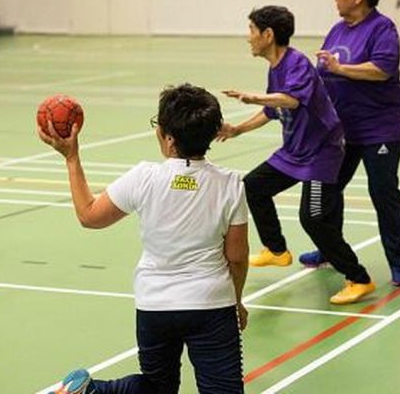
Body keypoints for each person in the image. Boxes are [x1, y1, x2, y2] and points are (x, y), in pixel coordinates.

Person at [41, 84, 249, 394]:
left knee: (156, 387)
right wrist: (237, 300)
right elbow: (236, 256)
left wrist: (72, 159)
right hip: (212, 305)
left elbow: (88, 215)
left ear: (168, 139)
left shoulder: (144, 177)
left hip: (156, 306)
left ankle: (91, 392)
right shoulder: (230, 185)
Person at [218, 5, 375, 305]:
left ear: (268, 34)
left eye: (251, 31)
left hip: (321, 154)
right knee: (252, 186)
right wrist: (237, 129)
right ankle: (277, 250)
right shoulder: (275, 68)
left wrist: (253, 96)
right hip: (294, 152)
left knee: (313, 218)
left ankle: (359, 278)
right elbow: (272, 110)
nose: (248, 38)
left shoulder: (297, 63)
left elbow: (290, 100)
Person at [305, 0, 400, 287]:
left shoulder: (382, 28)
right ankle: (329, 250)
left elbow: (382, 69)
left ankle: (398, 262)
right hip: (342, 129)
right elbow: (323, 73)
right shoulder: (337, 30)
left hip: (380, 127)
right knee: (329, 187)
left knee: (382, 191)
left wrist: (342, 68)